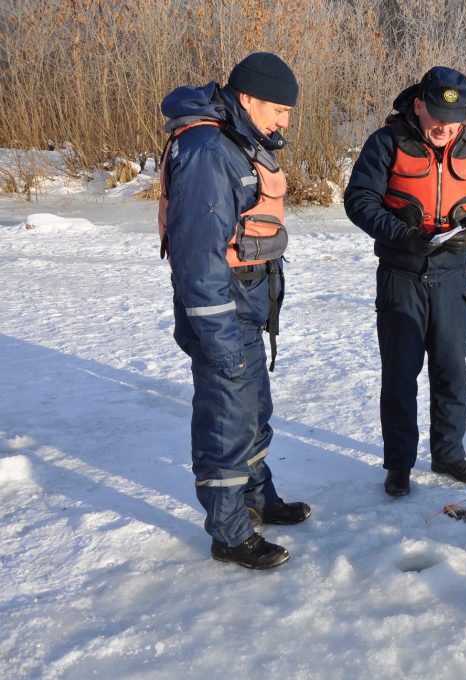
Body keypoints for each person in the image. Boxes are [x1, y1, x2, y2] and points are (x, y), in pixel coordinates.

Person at [159, 52, 310, 570]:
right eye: (277, 109)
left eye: (289, 111)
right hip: (222, 310)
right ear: (246, 98)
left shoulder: (239, 140)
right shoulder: (207, 149)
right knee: (226, 421)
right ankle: (229, 533)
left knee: (253, 411)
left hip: (247, 305)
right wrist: (218, 338)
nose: (284, 120)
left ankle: (257, 497)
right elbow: (198, 260)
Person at [344, 66, 466, 497]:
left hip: (453, 278)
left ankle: (448, 454)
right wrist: (403, 235)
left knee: (452, 370)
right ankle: (399, 463)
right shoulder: (387, 142)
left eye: (453, 119)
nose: (443, 126)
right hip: (401, 275)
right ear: (418, 105)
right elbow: (358, 200)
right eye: (435, 114)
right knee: (400, 375)